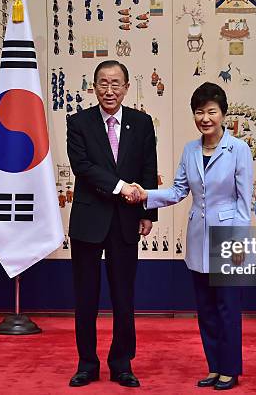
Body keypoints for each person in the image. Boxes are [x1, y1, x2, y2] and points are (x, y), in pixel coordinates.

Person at [132, 82, 252, 390]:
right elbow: (178, 191)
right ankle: (214, 367)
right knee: (206, 311)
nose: (205, 118)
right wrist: (146, 196)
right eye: (199, 112)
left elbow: (243, 201)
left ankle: (230, 369)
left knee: (228, 308)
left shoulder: (239, 149)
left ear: (223, 114)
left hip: (227, 239)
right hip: (198, 238)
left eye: (212, 111)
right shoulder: (190, 150)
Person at [66, 60, 158, 388]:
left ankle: (122, 363)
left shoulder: (142, 123)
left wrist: (148, 212)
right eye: (103, 83)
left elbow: (148, 167)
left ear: (127, 87)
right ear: (94, 87)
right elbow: (83, 167)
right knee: (86, 297)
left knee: (123, 297)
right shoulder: (79, 123)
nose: (110, 90)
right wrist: (121, 187)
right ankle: (86, 364)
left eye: (116, 83)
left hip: (126, 221)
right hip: (89, 222)